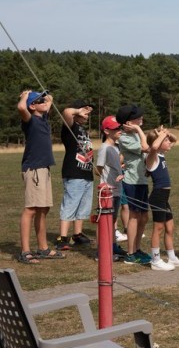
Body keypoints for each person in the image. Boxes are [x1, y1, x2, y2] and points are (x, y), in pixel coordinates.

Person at [17, 90, 61, 263]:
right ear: (32, 106)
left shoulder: (43, 118)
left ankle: (43, 248)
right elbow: (22, 107)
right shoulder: (30, 120)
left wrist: (43, 96)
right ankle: (25, 252)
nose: (44, 101)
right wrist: (25, 96)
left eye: (43, 100)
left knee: (43, 209)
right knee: (31, 209)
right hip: (34, 169)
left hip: (44, 168)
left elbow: (50, 99)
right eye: (39, 100)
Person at [55, 99, 95, 251]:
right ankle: (63, 237)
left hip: (86, 173)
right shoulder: (70, 126)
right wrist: (78, 111)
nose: (87, 115)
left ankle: (77, 234)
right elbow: (66, 112)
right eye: (85, 111)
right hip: (74, 172)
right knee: (70, 204)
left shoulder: (83, 130)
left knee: (83, 207)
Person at [145, 127, 179, 271]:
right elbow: (154, 146)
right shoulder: (152, 156)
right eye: (165, 140)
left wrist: (165, 134)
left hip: (164, 197)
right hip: (158, 196)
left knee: (170, 227)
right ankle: (155, 260)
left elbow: (175, 139)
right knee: (158, 228)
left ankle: (171, 257)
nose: (169, 142)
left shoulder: (160, 154)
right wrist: (161, 136)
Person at [116, 104, 151, 265]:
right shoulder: (124, 138)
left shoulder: (135, 135)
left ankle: (137, 249)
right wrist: (138, 130)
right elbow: (145, 147)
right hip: (132, 181)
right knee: (134, 216)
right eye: (138, 118)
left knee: (144, 217)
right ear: (128, 122)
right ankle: (130, 253)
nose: (141, 119)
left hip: (141, 180)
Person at [94, 115, 127, 260]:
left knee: (112, 220)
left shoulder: (115, 147)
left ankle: (112, 246)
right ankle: (101, 252)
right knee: (104, 221)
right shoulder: (105, 148)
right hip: (107, 191)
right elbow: (98, 170)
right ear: (106, 131)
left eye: (120, 127)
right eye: (115, 128)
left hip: (117, 189)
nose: (119, 130)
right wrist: (107, 181)